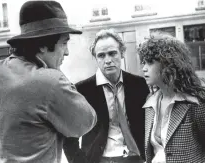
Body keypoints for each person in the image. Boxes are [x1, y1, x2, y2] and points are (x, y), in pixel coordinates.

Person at [0, 1, 97, 163]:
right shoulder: (50, 81)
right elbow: (85, 122)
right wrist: (56, 70)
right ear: (42, 46)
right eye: (64, 43)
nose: (67, 52)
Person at [63, 29, 150, 163]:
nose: (108, 60)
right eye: (101, 55)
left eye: (112, 53)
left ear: (122, 53)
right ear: (95, 58)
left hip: (135, 157)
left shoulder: (138, 84)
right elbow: (69, 134)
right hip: (99, 159)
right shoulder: (82, 90)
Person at [137, 32, 205, 163]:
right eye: (143, 62)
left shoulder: (196, 102)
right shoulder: (150, 101)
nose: (144, 68)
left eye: (150, 62)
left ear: (168, 64)